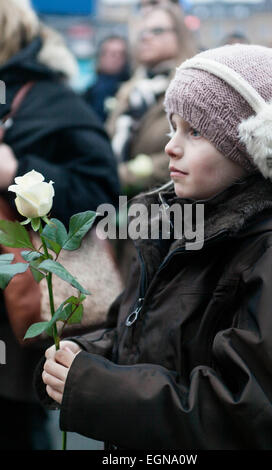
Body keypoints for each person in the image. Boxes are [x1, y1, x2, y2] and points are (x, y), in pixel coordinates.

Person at [37, 44, 272, 449]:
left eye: (195, 131)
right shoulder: (173, 225)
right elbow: (145, 335)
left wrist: (96, 387)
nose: (171, 146)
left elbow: (253, 412)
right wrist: (82, 355)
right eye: (172, 127)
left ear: (257, 147)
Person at [0, 0, 120, 450]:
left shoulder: (49, 99)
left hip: (20, 310)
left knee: (17, 429)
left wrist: (17, 170)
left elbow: (101, 192)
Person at [106, 3, 196, 196]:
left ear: (179, 36)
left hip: (168, 207)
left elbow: (194, 150)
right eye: (143, 32)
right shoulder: (131, 89)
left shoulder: (191, 87)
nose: (146, 37)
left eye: (157, 30)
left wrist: (126, 175)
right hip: (117, 203)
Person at [84, 35, 130, 123]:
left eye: (121, 54)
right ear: (101, 57)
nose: (117, 58)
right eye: (112, 54)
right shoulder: (90, 93)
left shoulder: (131, 89)